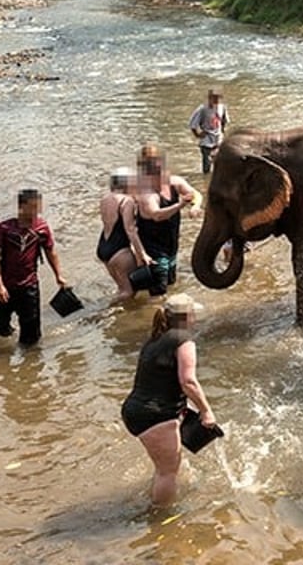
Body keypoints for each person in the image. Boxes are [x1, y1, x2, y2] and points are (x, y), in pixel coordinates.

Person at [120, 293, 217, 507]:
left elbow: (161, 379)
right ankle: (161, 517)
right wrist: (206, 411)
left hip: (136, 410)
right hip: (155, 415)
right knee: (168, 472)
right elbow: (188, 381)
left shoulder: (155, 339)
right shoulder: (184, 340)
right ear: (187, 317)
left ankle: (156, 498)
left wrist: (184, 407)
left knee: (164, 466)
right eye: (193, 314)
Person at [0, 188, 67, 347]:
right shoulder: (4, 229)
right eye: (33, 207)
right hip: (6, 285)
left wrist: (58, 275)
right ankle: (11, 337)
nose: (36, 212)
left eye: (38, 207)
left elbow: (51, 252)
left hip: (29, 286)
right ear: (21, 207)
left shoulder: (41, 228)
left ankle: (29, 364)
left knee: (31, 337)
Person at [135, 145, 201, 296]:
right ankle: (154, 317)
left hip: (171, 244)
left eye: (157, 166)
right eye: (150, 168)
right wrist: (180, 205)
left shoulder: (175, 182)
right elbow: (157, 215)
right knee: (158, 292)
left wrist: (195, 205)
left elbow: (195, 193)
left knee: (171, 283)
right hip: (153, 249)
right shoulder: (146, 193)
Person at [98, 167, 152, 302]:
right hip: (119, 250)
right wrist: (142, 254)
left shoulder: (105, 198)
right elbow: (130, 230)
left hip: (103, 247)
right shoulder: (126, 201)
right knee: (129, 292)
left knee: (121, 288)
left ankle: (117, 317)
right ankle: (103, 313)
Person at [188, 89, 230, 175]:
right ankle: (206, 178)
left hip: (218, 140)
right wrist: (198, 135)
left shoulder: (222, 107)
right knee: (207, 165)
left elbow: (224, 121)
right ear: (209, 98)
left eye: (218, 99)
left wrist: (222, 132)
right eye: (214, 98)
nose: (216, 101)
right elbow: (192, 124)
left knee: (220, 163)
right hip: (206, 141)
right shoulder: (202, 109)